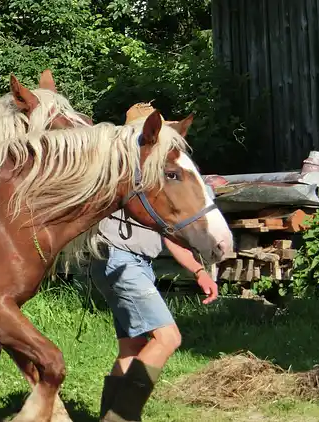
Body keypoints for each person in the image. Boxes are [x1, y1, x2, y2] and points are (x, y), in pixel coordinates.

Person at [94, 104, 219, 422]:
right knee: (168, 338)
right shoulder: (122, 172)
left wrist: (198, 270)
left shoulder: (150, 178)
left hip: (130, 263)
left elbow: (168, 235)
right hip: (120, 261)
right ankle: (121, 417)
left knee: (131, 347)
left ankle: (110, 415)